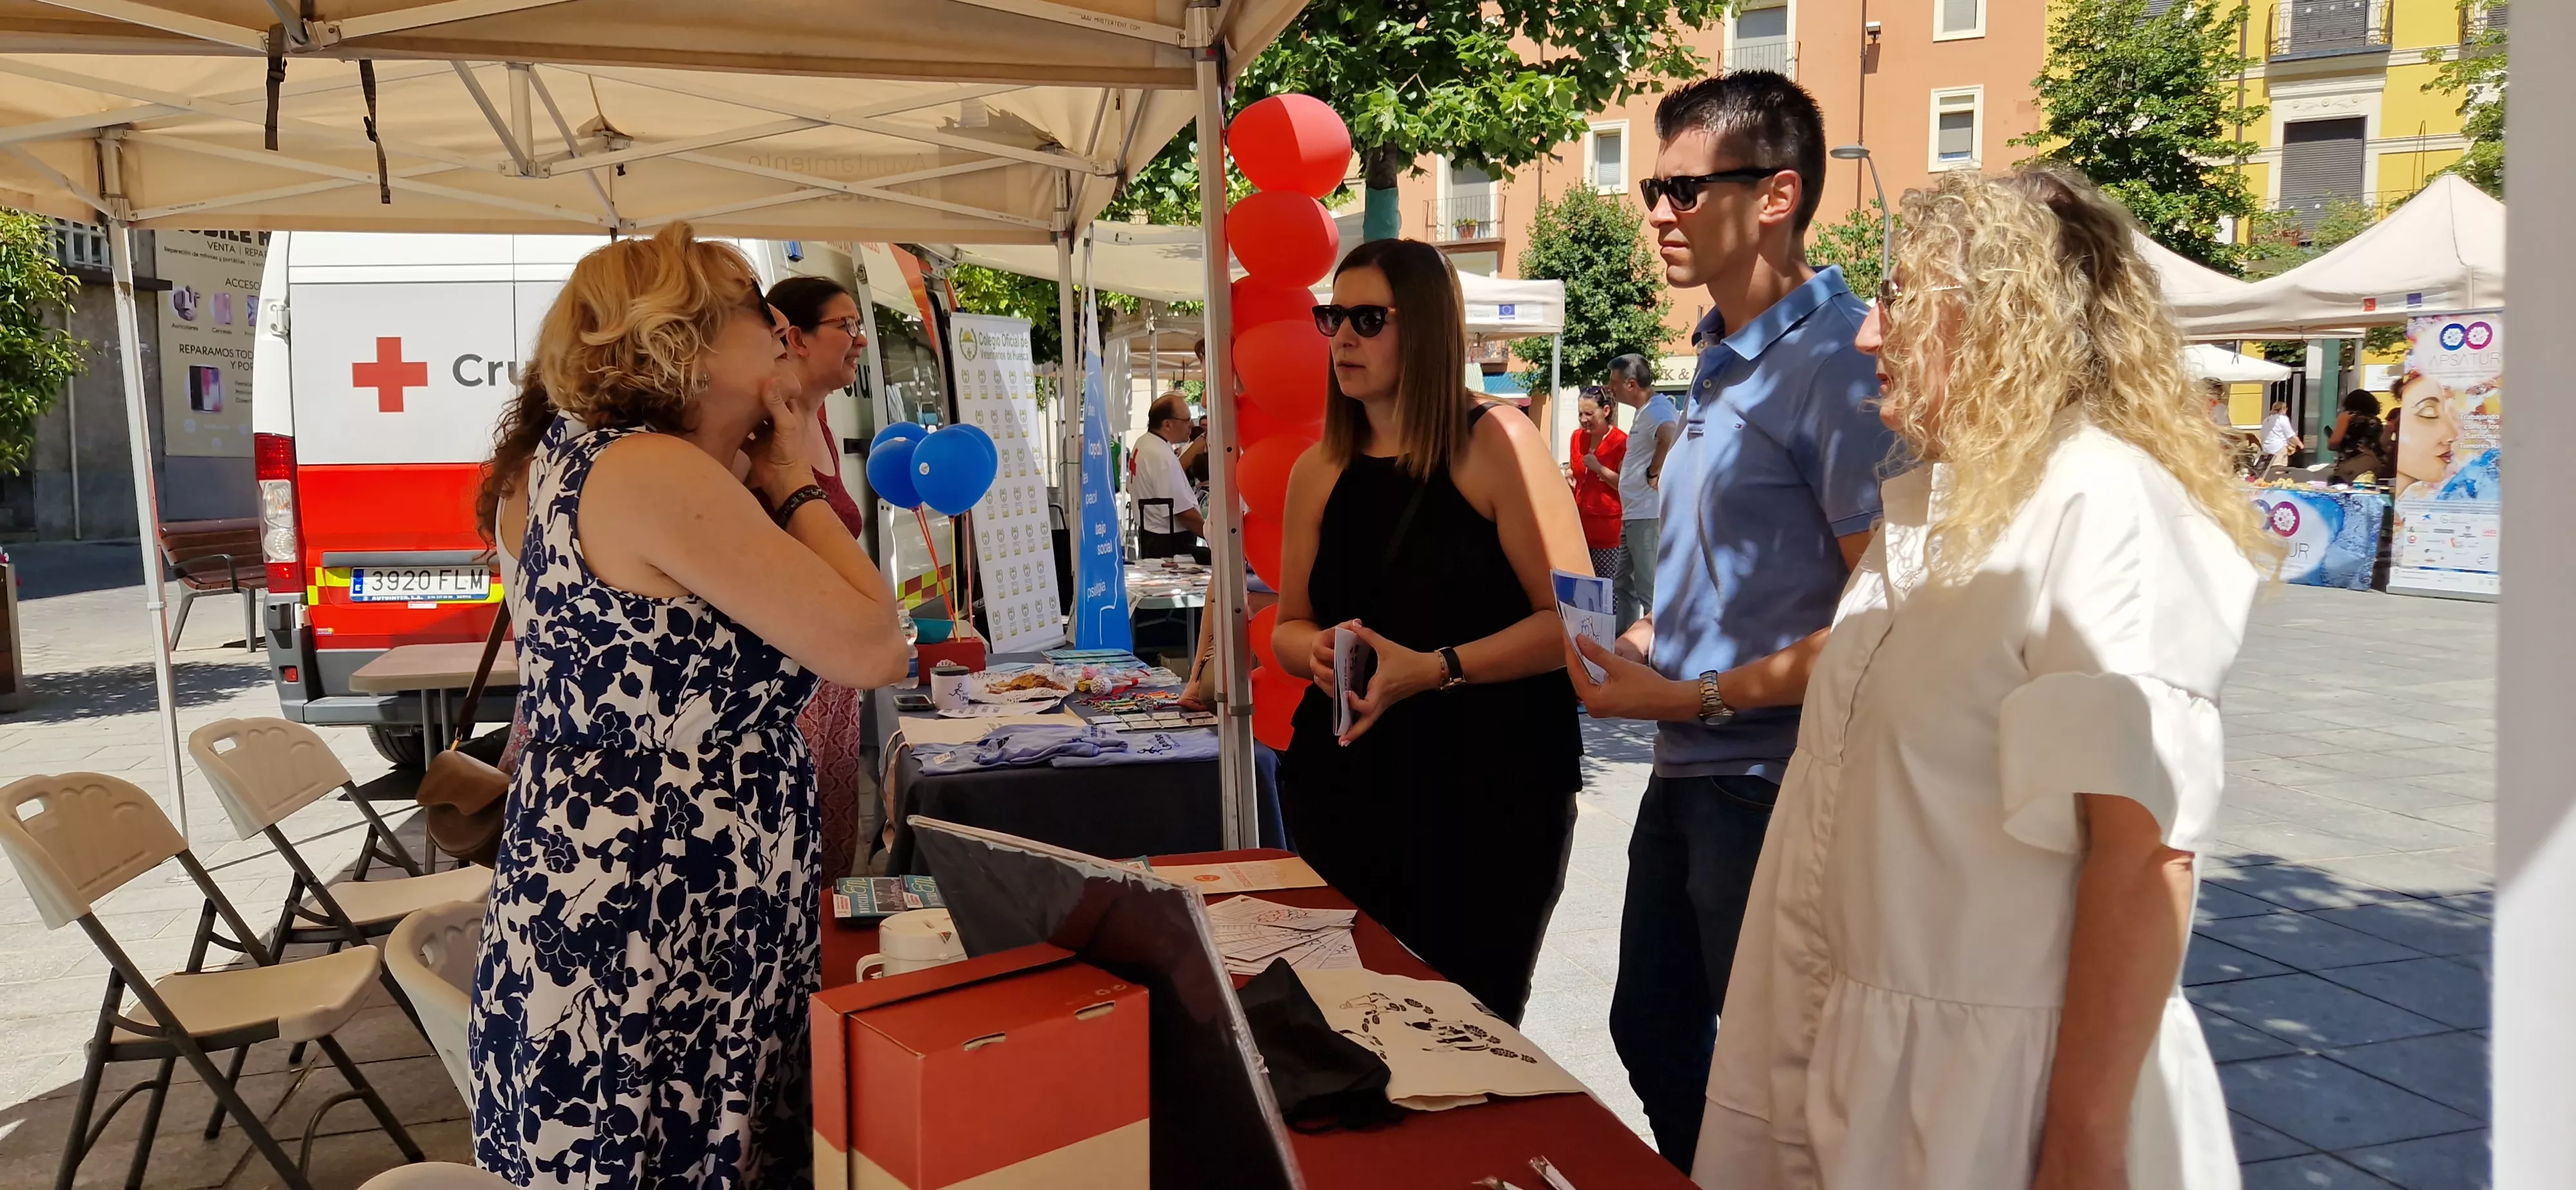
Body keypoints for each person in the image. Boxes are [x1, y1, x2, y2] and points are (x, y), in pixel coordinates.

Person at [1696, 165, 2271, 1190]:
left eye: (1903, 298)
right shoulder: (1944, 512)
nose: (1871, 334)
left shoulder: (2102, 506)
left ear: (2006, 316)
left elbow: (2144, 859)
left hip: (1995, 1102)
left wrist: (2081, 1150)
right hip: (1867, 1071)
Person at [471, 223, 911, 1189]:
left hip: (657, 884)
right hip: (659, 898)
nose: (784, 333)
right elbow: (875, 644)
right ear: (686, 339)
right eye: (761, 311)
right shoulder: (648, 470)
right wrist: (794, 477)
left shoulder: (608, 459)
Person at [1559, 71, 1900, 1167]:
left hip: (1773, 785)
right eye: (1654, 186)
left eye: (1681, 187)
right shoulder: (1717, 361)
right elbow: (1743, 571)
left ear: (1776, 195)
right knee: (1650, 1028)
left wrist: (1693, 691)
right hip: (1690, 766)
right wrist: (1655, 634)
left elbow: (1886, 624)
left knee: (1779, 1073)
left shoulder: (1843, 367)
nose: (1656, 210)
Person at [1270, 237, 1591, 1024]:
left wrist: (1434, 667)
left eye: (1368, 318)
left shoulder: (1499, 444)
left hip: (1488, 797)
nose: (1342, 337)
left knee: (1464, 1030)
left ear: (1427, 328)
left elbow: (1582, 627)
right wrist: (1309, 651)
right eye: (1332, 316)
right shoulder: (1318, 468)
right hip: (1345, 791)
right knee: (1347, 1028)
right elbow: (1286, 625)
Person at [768, 276, 878, 879]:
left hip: (830, 672)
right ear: (796, 338)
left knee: (833, 849)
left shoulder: (822, 420)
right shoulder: (761, 436)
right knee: (796, 860)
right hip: (787, 678)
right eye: (847, 326)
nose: (860, 340)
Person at [1606, 353, 1680, 632]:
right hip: (1635, 513)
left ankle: (1656, 651)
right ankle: (1625, 642)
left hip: (1647, 515)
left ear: (1632, 384)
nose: (1610, 388)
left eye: (1614, 382)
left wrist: (1654, 471)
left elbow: (1670, 433)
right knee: (1624, 583)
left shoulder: (1657, 410)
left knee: (1648, 587)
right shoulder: (1646, 411)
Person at [1130, 392, 1206, 558]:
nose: (1192, 425)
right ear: (1167, 424)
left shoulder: (1144, 443)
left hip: (1154, 535)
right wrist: (1214, 536)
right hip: (1169, 543)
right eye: (1187, 420)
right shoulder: (1160, 455)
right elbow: (1183, 511)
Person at [1571, 388, 1630, 583]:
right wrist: (1569, 474)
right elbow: (1576, 470)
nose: (1583, 419)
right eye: (1580, 413)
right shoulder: (1577, 437)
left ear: (1606, 411)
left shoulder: (1621, 442)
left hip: (1607, 532)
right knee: (1582, 590)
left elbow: (1625, 485)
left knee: (1606, 591)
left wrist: (1599, 468)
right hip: (1579, 529)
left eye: (1589, 413)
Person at [2328, 388, 2387, 484]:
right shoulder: (2376, 420)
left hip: (2352, 463)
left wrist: (2330, 442)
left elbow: (2334, 442)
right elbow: (2381, 442)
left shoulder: (2347, 417)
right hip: (2373, 462)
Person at [2259, 399, 2302, 475]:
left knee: (2269, 470)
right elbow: (2290, 435)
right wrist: (2301, 445)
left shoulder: (2266, 420)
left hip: (2267, 449)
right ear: (2284, 409)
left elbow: (2262, 435)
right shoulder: (2282, 419)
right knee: (2279, 471)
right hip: (2278, 448)